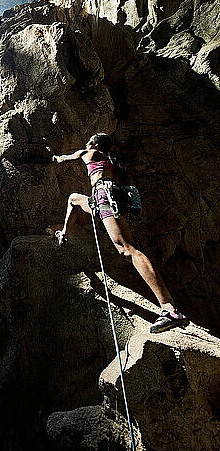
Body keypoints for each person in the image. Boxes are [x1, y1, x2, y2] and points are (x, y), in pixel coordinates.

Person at [52, 132, 188, 334]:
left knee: (126, 249)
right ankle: (64, 234)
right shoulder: (110, 162)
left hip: (103, 195)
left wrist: (57, 158)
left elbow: (67, 157)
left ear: (95, 143)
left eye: (90, 140)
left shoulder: (89, 152)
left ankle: (169, 309)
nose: (86, 143)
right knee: (73, 199)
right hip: (108, 196)